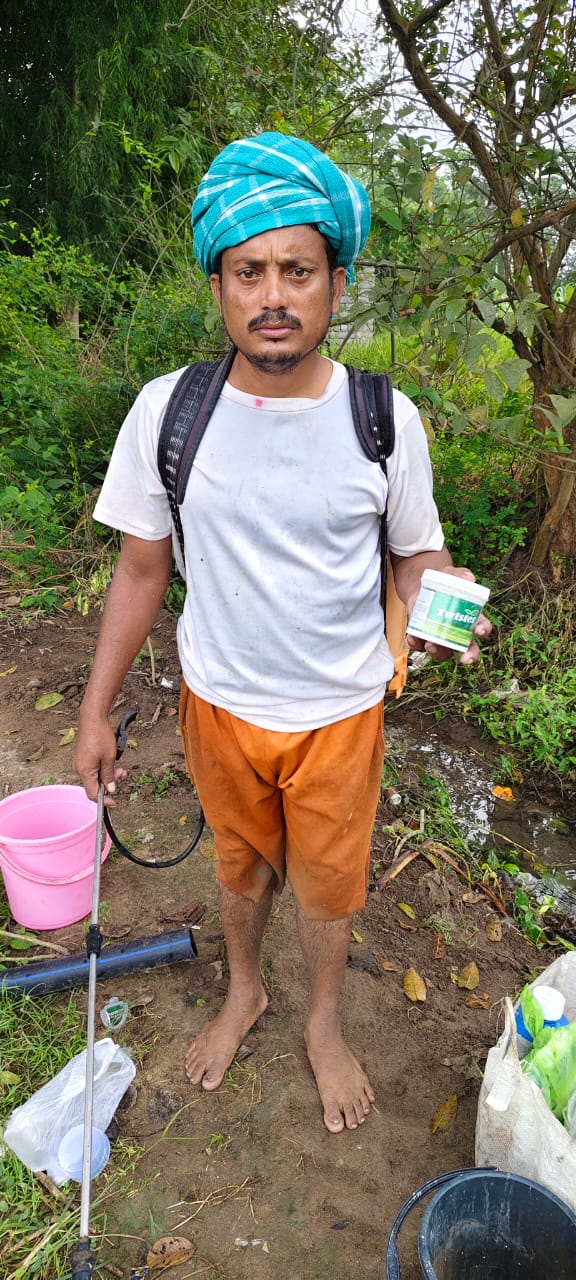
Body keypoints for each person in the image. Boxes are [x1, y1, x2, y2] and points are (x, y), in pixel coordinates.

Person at [74, 132, 491, 1135]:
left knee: (330, 890)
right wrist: (93, 710)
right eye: (249, 271)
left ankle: (324, 1020)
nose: (273, 295)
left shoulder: (383, 418)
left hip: (341, 712)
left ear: (335, 286)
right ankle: (246, 989)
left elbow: (415, 556)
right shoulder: (170, 413)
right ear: (218, 287)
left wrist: (441, 601)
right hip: (218, 701)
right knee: (239, 867)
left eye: (297, 271)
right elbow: (142, 569)